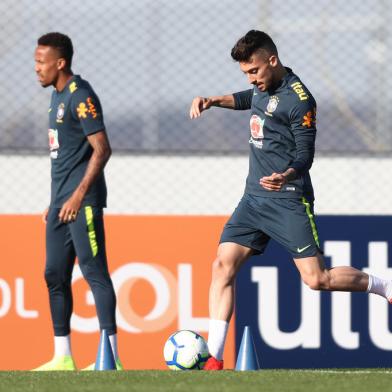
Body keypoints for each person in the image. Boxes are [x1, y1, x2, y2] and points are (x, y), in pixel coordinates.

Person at [189, 30, 392, 370]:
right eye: (245, 74)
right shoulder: (261, 89)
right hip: (253, 199)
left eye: (254, 71)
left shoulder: (300, 100)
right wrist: (212, 100)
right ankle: (215, 357)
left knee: (317, 280)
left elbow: (305, 155)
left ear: (272, 60)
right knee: (222, 266)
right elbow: (247, 100)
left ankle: (383, 285)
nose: (251, 80)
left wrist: (286, 174)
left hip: (287, 199)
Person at [33, 32, 122, 370]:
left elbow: (102, 148)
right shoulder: (55, 97)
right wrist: (55, 201)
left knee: (94, 272)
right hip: (60, 205)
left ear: (60, 63)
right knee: (54, 274)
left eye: (41, 63)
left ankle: (110, 357)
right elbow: (67, 157)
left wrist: (78, 195)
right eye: (35, 62)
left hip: (82, 203)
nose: (37, 69)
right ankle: (62, 357)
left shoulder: (79, 95)